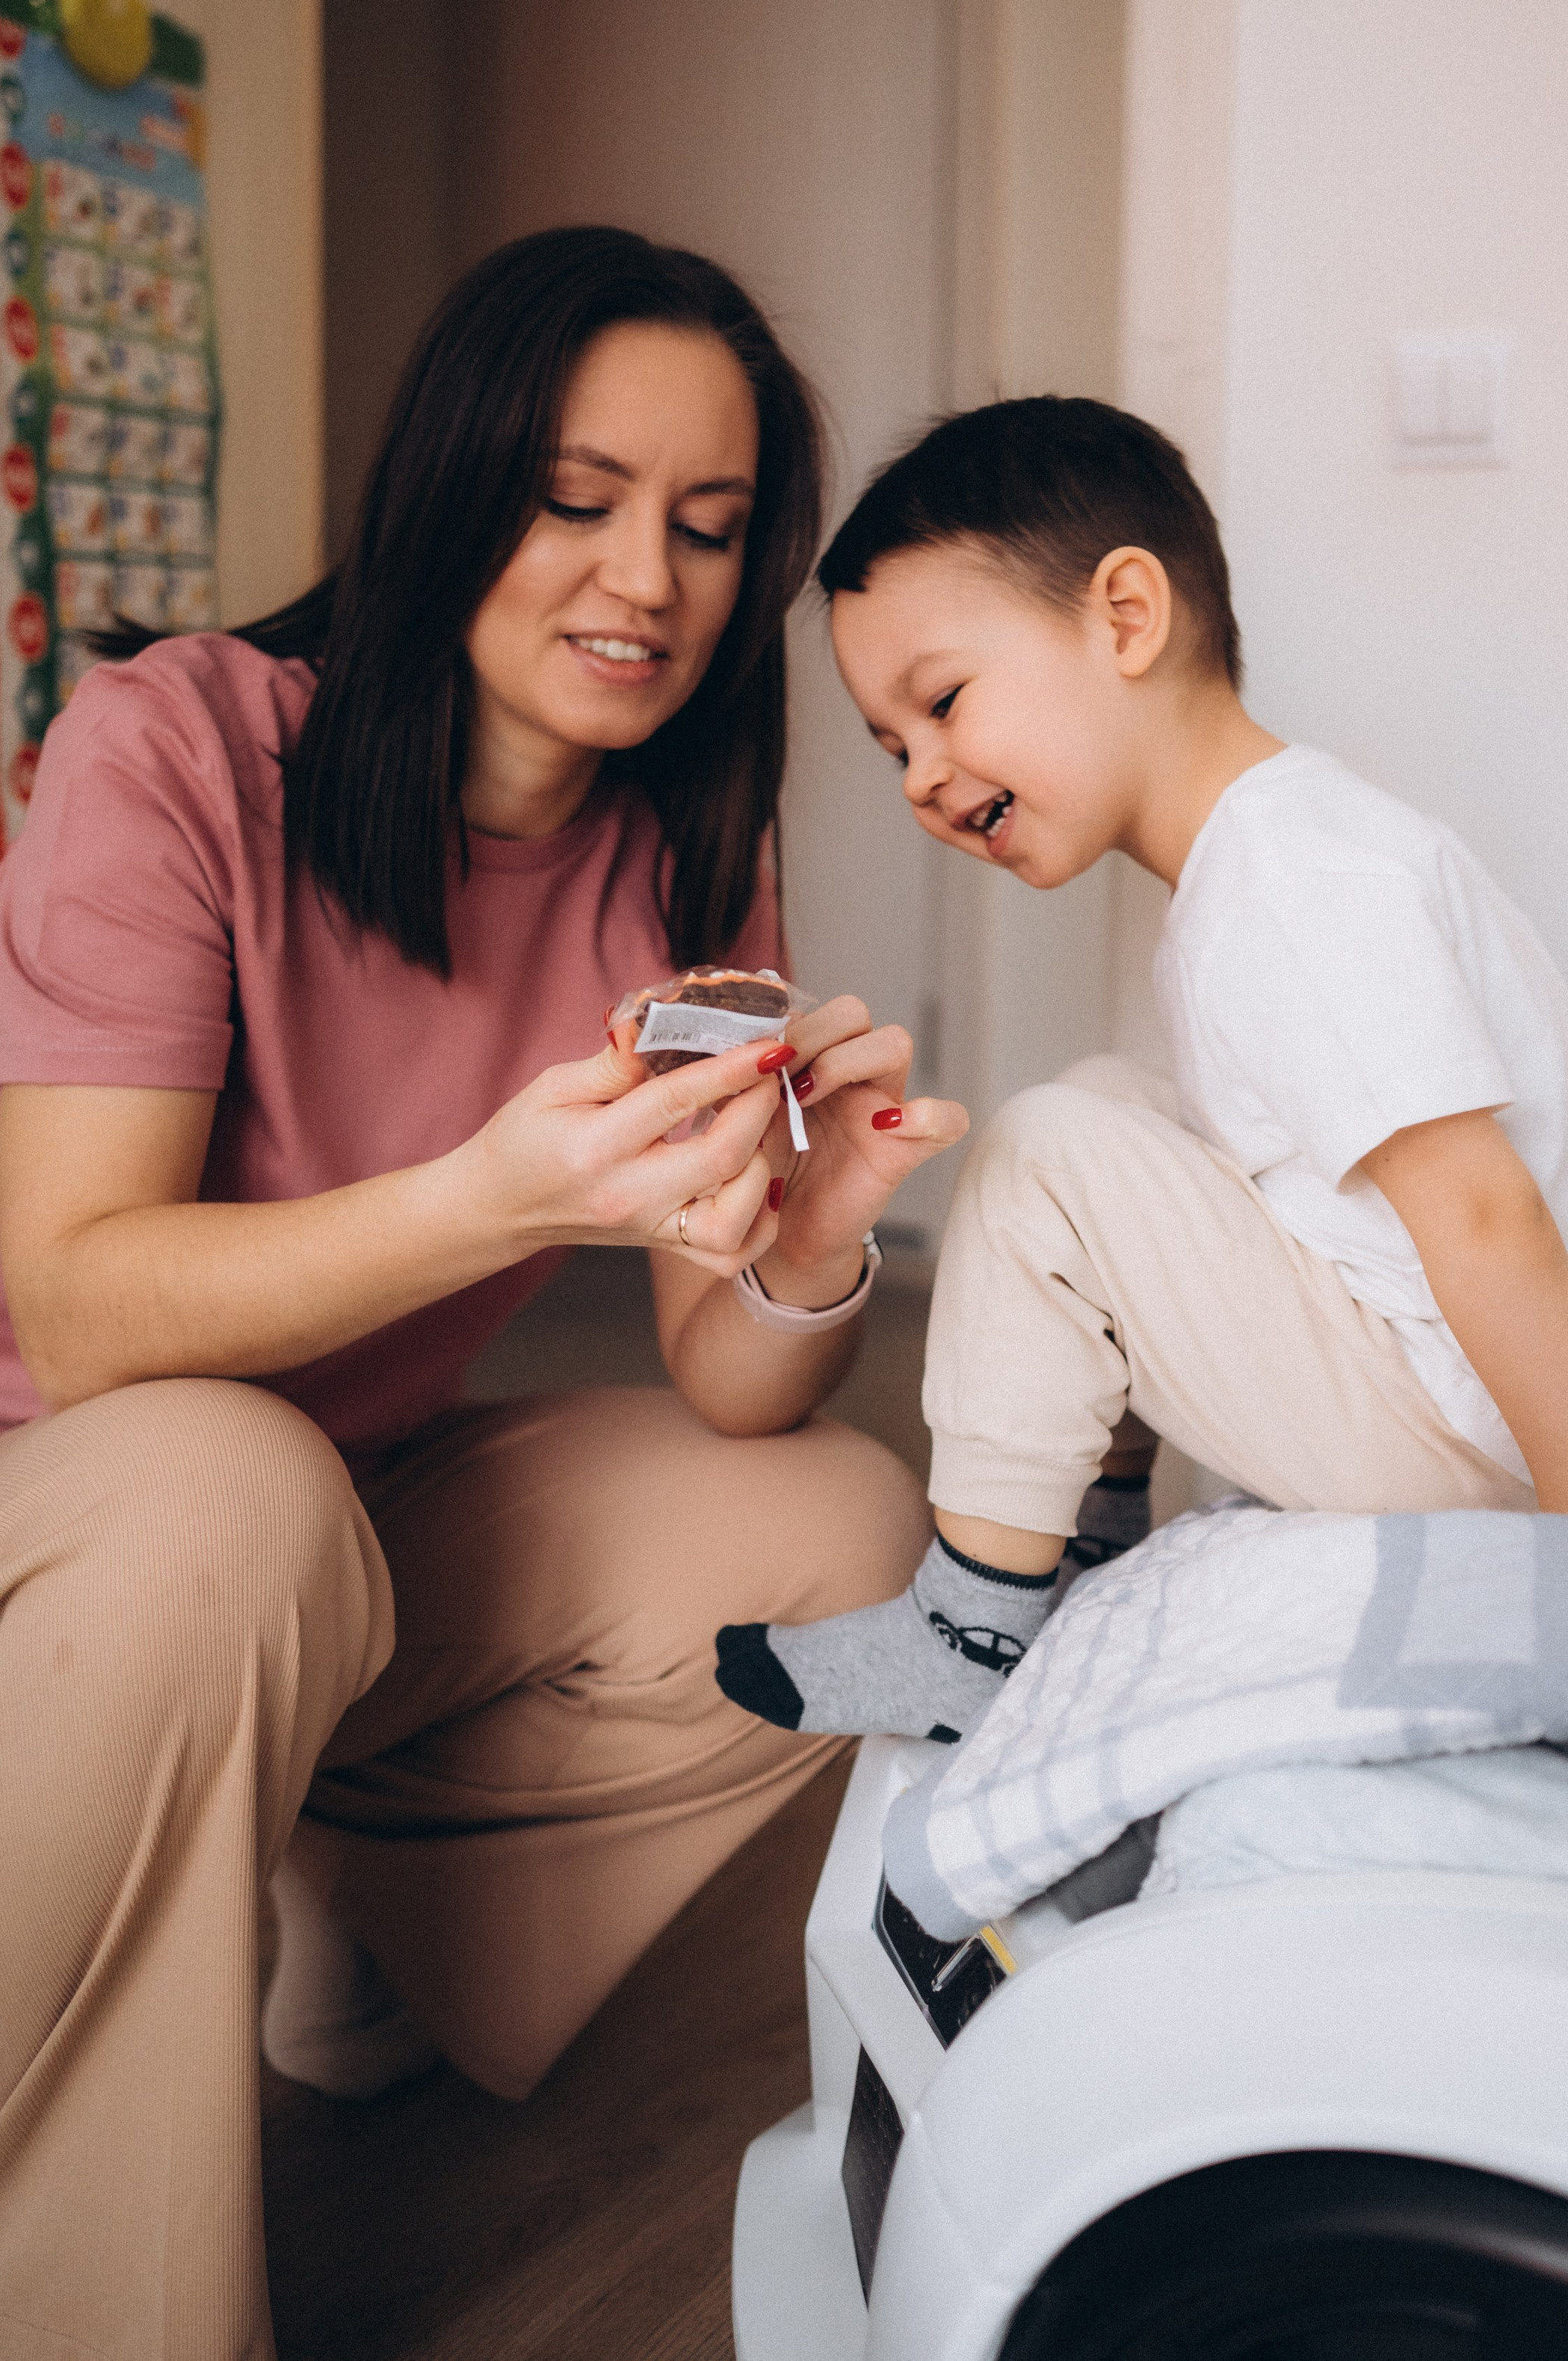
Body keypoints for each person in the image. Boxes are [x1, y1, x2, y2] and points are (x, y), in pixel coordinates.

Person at [0, 226, 963, 2361]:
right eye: (577, 499)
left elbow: (731, 1382)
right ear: (453, 486)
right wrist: (489, 1198)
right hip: (75, 1508)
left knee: (836, 1531)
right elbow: (71, 1311)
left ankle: (355, 1912)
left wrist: (814, 1243)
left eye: (712, 530)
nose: (649, 580)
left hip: (328, 1529)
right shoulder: (174, 746)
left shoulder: (681, 848)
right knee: (225, 1491)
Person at [715, 395, 1568, 1748]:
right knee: (1109, 1101)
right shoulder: (1273, 852)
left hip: (1470, 1437)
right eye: (892, 747)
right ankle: (1085, 1531)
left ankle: (970, 1630)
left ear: (1127, 618)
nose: (922, 775)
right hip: (1465, 1397)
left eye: (940, 702)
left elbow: (1483, 1211)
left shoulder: (1292, 878)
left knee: (1049, 1154)